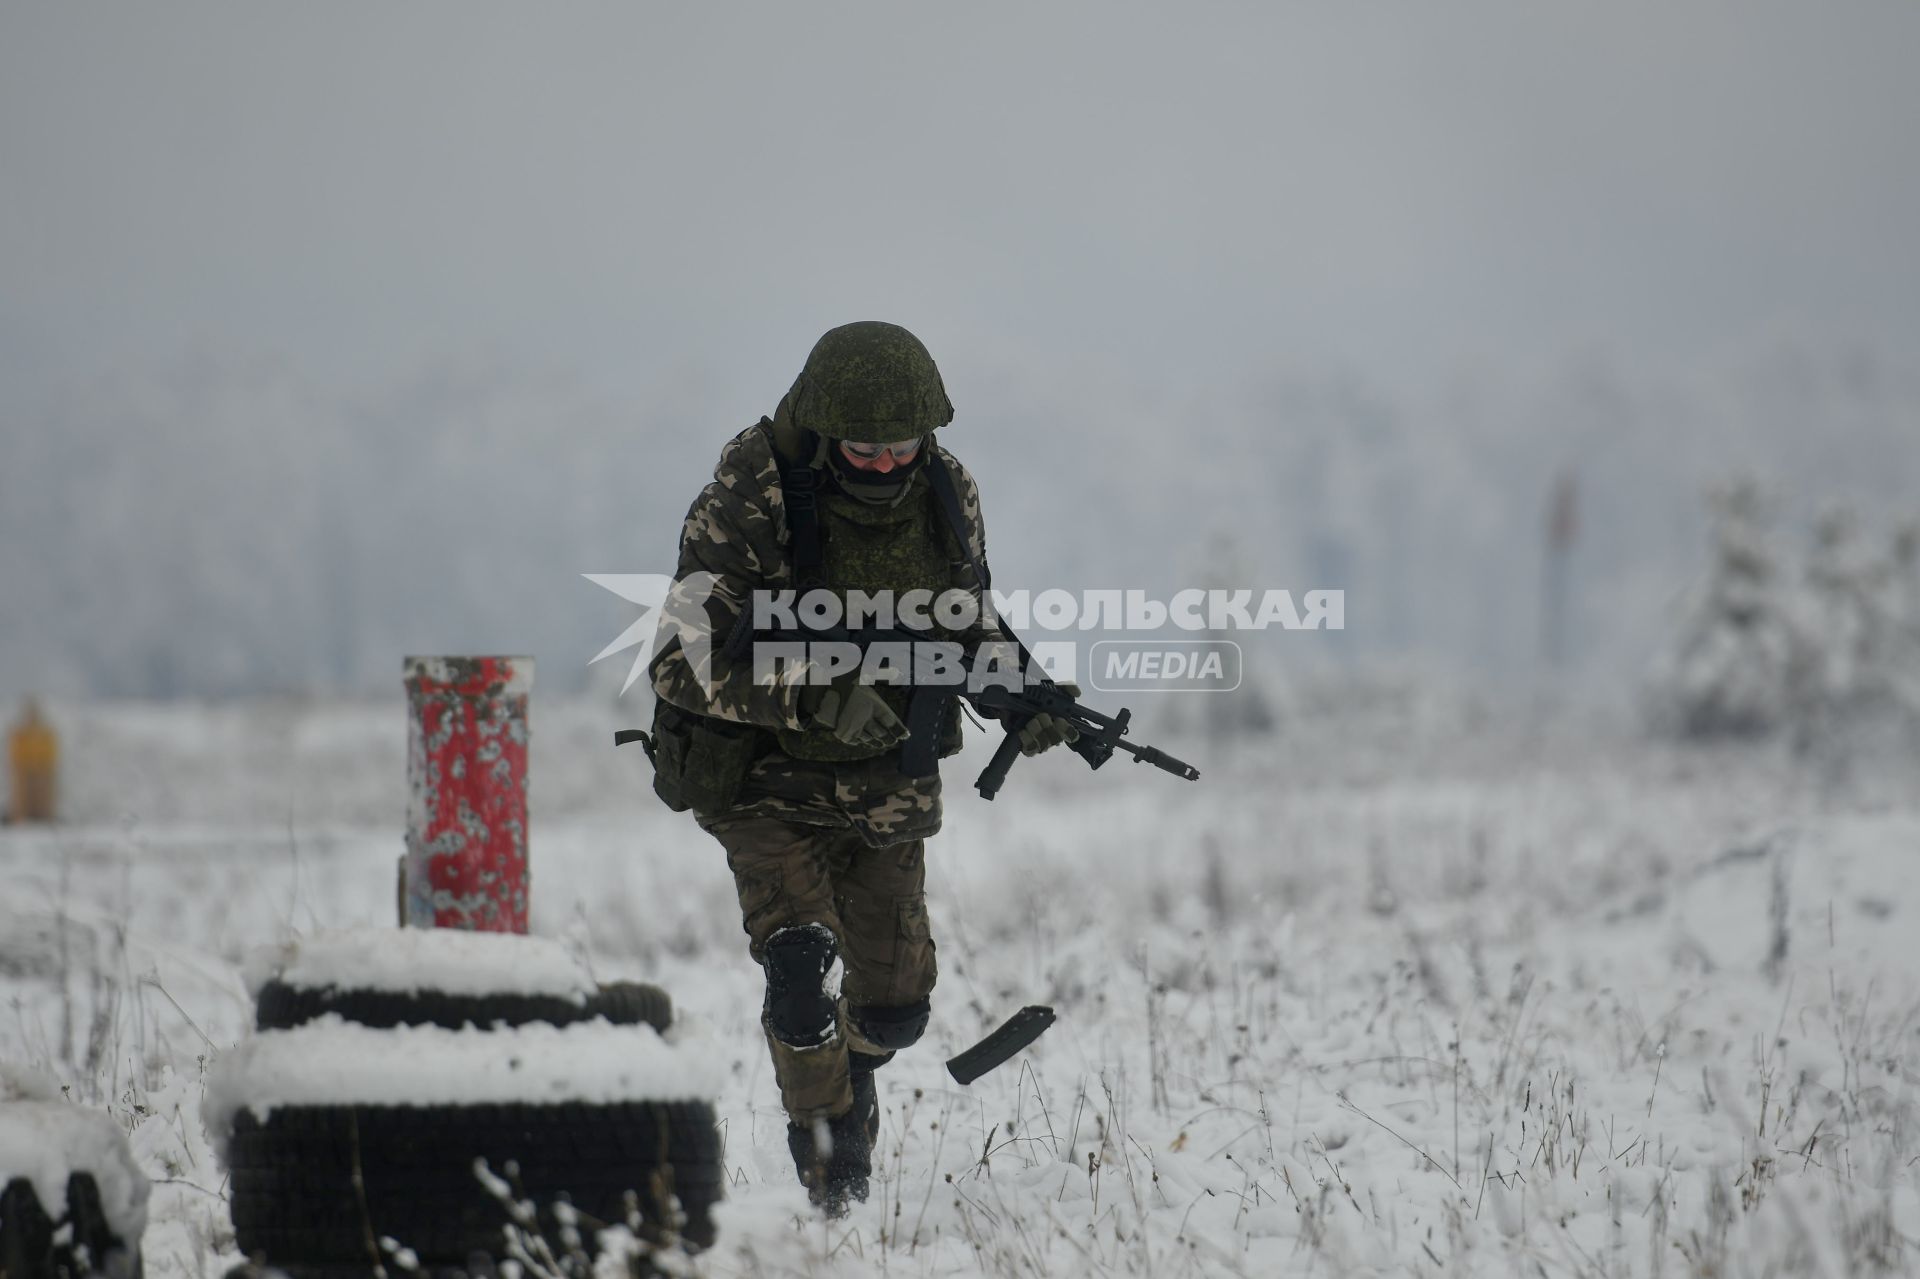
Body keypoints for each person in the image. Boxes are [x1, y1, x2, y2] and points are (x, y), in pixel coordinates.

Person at [646, 322, 1078, 1212]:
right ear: (824, 429)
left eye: (902, 447)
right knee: (801, 971)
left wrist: (1024, 691)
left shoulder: (948, 491)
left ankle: (852, 1069)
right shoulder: (753, 486)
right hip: (762, 779)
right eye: (863, 449)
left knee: (893, 1009)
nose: (884, 466)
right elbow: (679, 658)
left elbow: (968, 623)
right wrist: (809, 694)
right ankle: (832, 1171)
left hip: (889, 779)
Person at [7, 699, 59, 824]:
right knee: (22, 798)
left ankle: (45, 818)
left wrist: (47, 765)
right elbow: (15, 750)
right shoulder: (21, 733)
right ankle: (20, 818)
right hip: (24, 769)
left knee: (43, 797)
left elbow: (51, 750)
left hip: (43, 768)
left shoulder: (46, 734)